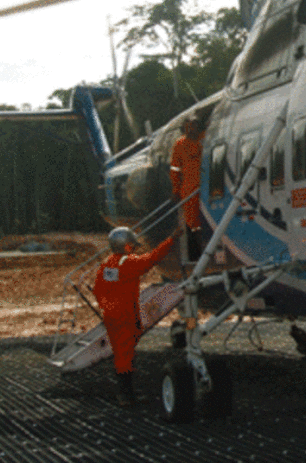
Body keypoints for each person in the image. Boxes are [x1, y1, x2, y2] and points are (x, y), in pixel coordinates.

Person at [94, 226, 182, 406]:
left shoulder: (107, 264)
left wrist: (108, 308)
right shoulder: (128, 263)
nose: (134, 248)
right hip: (125, 317)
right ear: (126, 246)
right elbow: (152, 258)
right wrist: (171, 239)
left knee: (122, 354)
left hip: (112, 317)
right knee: (125, 357)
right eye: (132, 245)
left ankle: (125, 393)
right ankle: (125, 396)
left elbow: (98, 291)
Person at [171, 117, 205, 261]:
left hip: (206, 188)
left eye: (193, 126)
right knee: (193, 225)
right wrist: (176, 190)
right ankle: (201, 252)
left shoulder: (204, 139)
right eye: (188, 127)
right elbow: (175, 170)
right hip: (189, 191)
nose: (190, 129)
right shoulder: (180, 144)